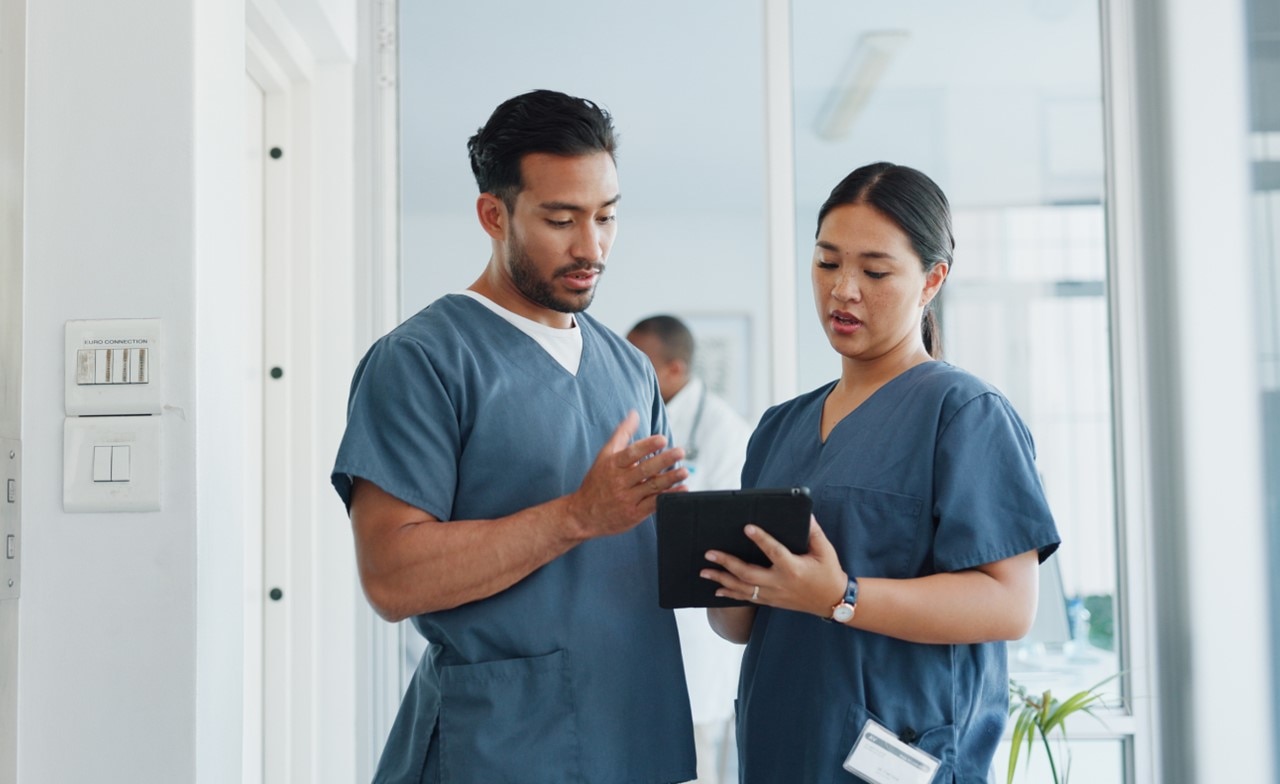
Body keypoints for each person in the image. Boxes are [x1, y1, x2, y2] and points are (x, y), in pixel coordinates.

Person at [332, 89, 696, 784]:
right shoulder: (423, 360)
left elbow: (647, 550)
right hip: (502, 748)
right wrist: (575, 517)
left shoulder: (629, 369)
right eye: (561, 219)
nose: (591, 246)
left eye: (606, 217)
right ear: (493, 215)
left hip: (634, 733)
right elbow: (391, 576)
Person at [704, 162, 1061, 783]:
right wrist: (722, 577)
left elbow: (1009, 604)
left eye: (874, 271)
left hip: (897, 756)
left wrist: (841, 598)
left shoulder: (965, 413)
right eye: (826, 262)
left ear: (932, 280)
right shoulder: (778, 427)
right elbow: (740, 624)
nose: (843, 290)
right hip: (781, 747)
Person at [627, 315, 753, 784]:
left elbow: (721, 536)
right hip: (637, 623)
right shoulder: (635, 418)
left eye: (642, 363)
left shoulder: (724, 433)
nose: (629, 370)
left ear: (675, 370)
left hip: (697, 636)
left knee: (693, 768)